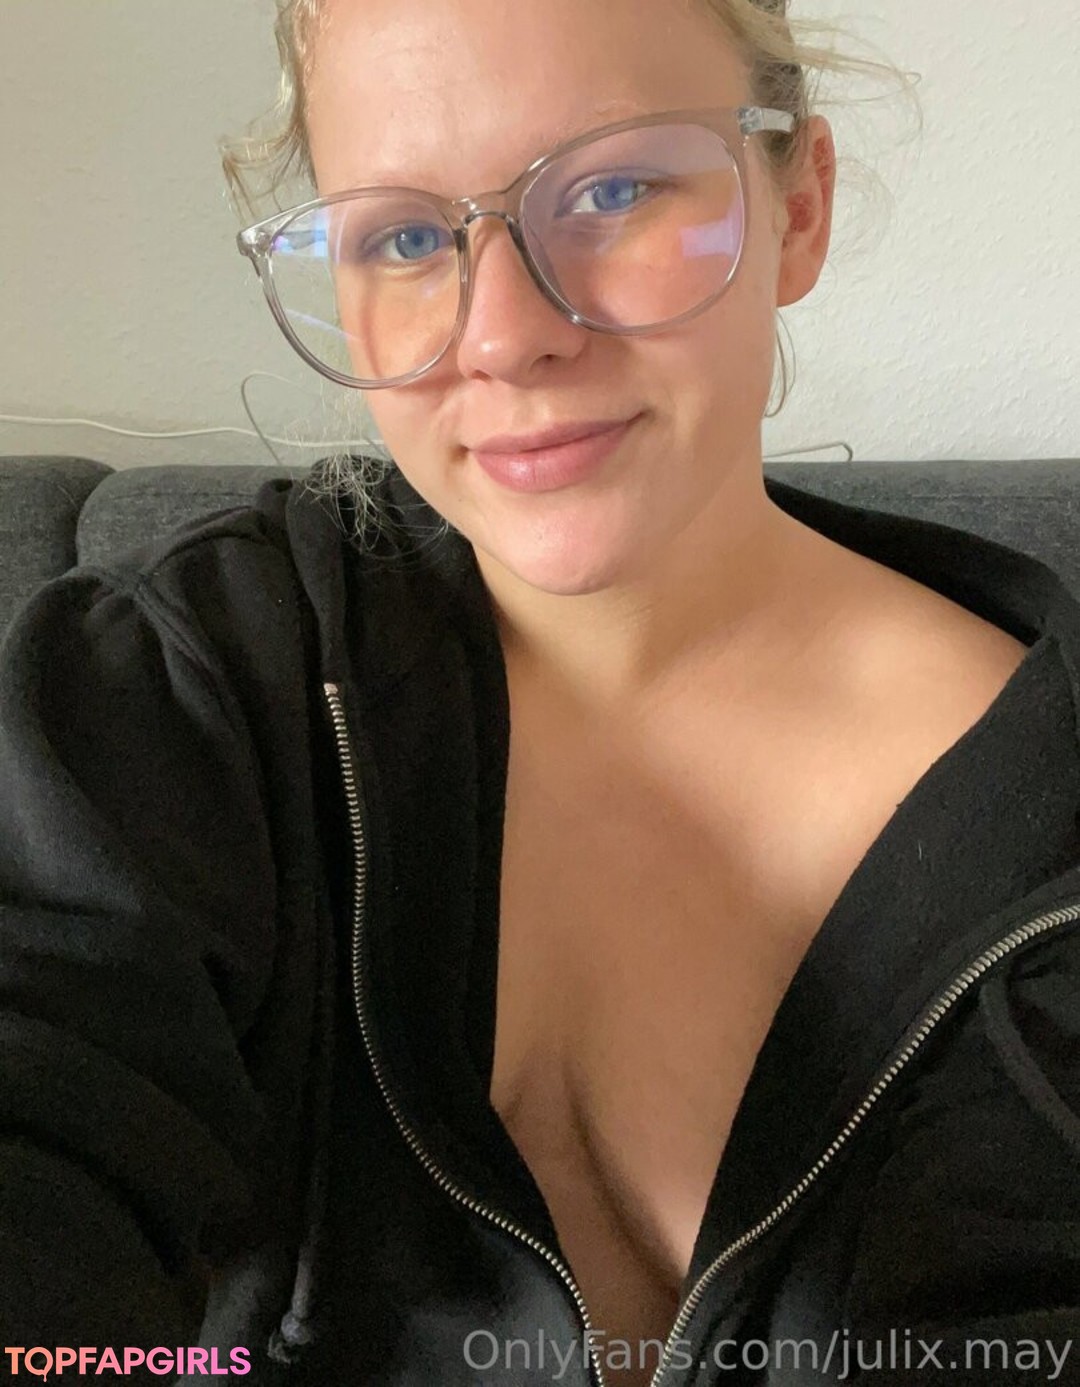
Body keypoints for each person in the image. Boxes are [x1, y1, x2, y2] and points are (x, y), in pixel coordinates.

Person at [2, 0, 1079, 1383]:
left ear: (797, 208)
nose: (503, 336)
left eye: (614, 191)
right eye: (403, 237)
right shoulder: (194, 689)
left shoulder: (1050, 820)